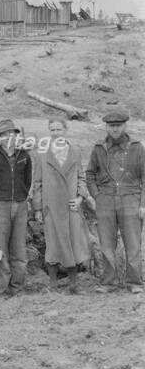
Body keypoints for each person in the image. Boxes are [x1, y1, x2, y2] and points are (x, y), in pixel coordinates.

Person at [86, 110, 145, 294]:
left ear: (125, 126)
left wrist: (142, 204)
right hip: (106, 200)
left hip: (131, 198)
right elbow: (90, 174)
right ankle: (108, 282)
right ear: (106, 127)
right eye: (111, 126)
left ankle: (135, 282)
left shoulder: (137, 147)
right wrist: (97, 195)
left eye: (118, 125)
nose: (115, 129)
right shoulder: (98, 148)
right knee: (106, 244)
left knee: (133, 244)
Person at [32, 118, 91, 294]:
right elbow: (37, 183)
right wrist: (38, 208)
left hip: (71, 206)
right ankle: (53, 285)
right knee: (53, 245)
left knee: (73, 243)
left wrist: (80, 197)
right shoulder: (42, 154)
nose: (56, 132)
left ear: (66, 130)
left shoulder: (75, 152)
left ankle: (74, 285)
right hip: (52, 207)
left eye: (59, 129)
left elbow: (81, 177)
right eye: (52, 129)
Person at [0, 119, 33, 296]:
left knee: (19, 248)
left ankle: (17, 287)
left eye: (11, 133)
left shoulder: (25, 156)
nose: (8, 137)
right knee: (0, 248)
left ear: (16, 135)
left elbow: (27, 181)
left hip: (20, 205)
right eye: (4, 134)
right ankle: (1, 288)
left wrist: (22, 197)